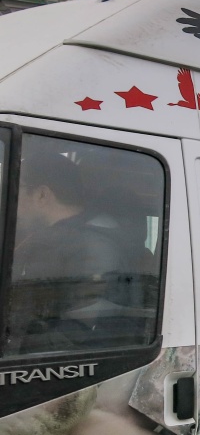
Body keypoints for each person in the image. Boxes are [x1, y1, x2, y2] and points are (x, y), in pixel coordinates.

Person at [7, 146, 128, 353]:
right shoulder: (46, 237)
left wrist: (13, 348)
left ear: (42, 194)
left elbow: (75, 335)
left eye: (15, 192)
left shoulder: (93, 247)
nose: (11, 203)